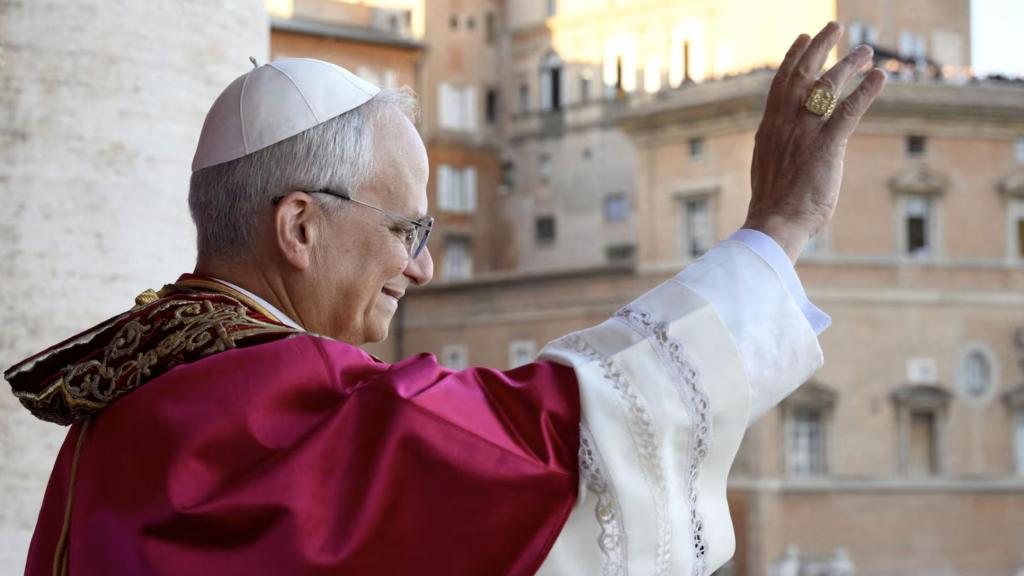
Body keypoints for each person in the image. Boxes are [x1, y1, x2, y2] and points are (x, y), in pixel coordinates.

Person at [5, 21, 885, 575]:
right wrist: (778, 229)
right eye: (407, 231)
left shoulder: (121, 406)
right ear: (300, 227)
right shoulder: (281, 403)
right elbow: (561, 439)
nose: (422, 270)